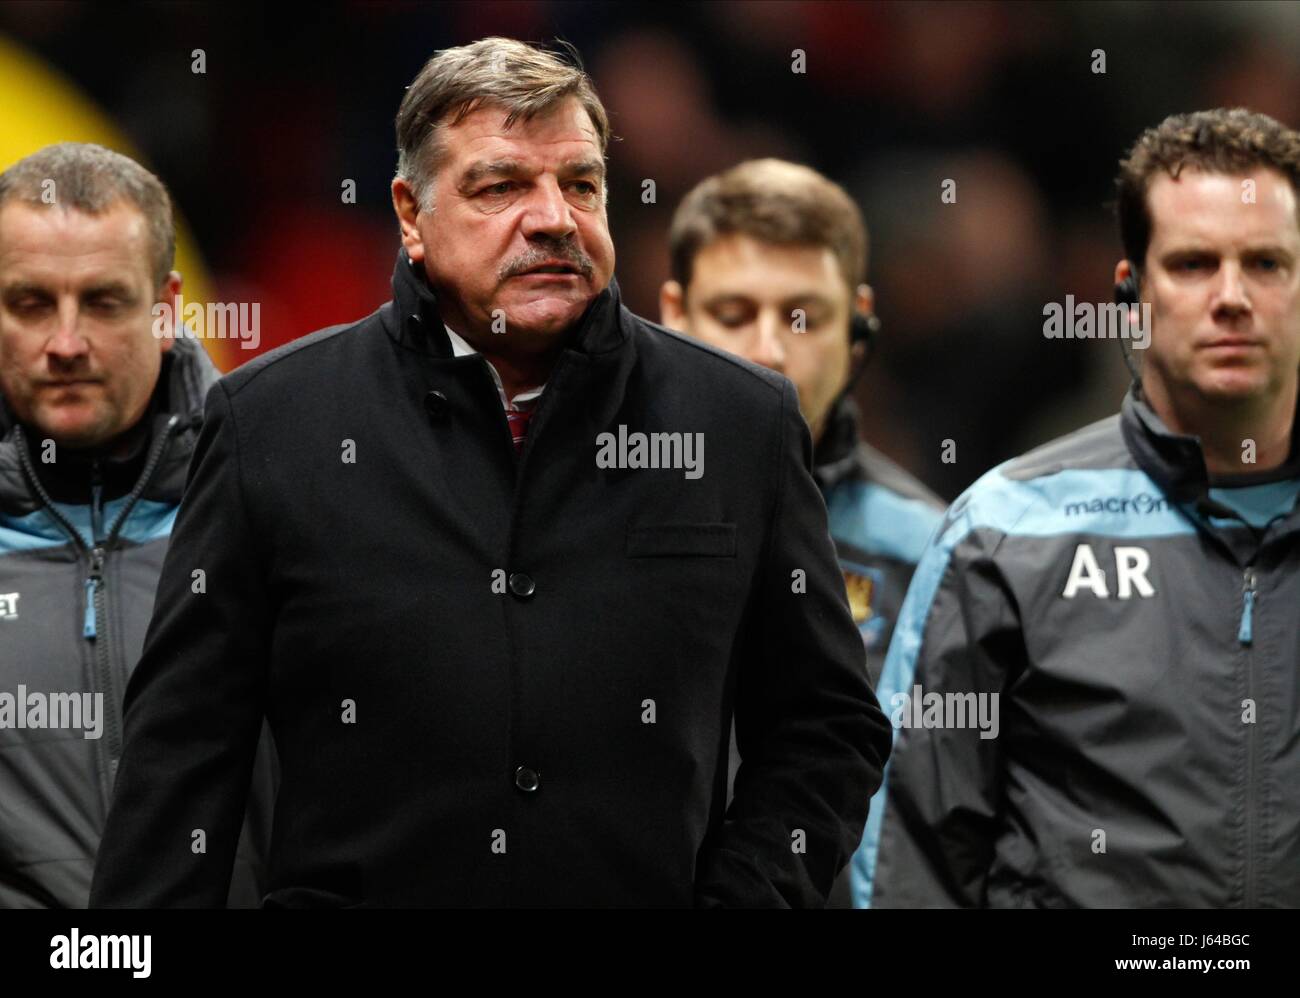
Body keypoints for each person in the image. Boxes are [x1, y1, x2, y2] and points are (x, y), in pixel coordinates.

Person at [89, 37, 888, 908]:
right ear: (408, 213)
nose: (554, 217)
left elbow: (828, 726)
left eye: (580, 184)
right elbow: (182, 762)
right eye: (501, 185)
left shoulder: (739, 423)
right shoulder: (270, 424)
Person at [867, 108, 1300, 907]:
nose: (1232, 297)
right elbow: (911, 855)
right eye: (1195, 264)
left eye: (1267, 263)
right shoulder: (1007, 532)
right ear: (1132, 295)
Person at [658, 159, 943, 905]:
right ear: (672, 315)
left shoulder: (937, 551)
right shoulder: (597, 515)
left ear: (858, 324)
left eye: (803, 317)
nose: (769, 353)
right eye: (731, 313)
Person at [0, 142, 273, 907]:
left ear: (166, 309)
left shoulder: (274, 502)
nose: (65, 343)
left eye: (103, 301)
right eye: (28, 303)